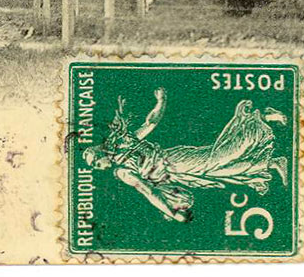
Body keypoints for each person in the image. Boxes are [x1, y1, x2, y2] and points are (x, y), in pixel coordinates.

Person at [83, 89, 289, 223]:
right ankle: (272, 163)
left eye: (94, 162)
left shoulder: (122, 166)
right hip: (176, 174)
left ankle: (261, 117)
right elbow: (151, 189)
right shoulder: (121, 159)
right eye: (94, 166)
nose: (97, 167)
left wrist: (161, 101)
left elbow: (147, 190)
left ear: (99, 151)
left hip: (175, 161)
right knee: (222, 171)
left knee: (219, 157)